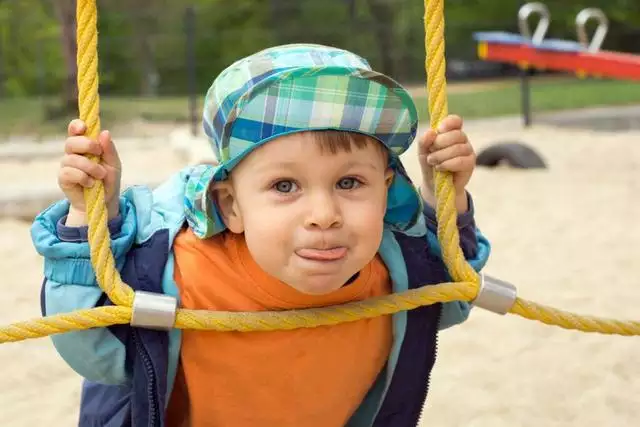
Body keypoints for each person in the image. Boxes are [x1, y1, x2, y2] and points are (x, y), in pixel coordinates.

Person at [31, 43, 490, 427]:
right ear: (231, 205)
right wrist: (88, 212)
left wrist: (442, 199)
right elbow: (90, 349)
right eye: (284, 186)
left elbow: (452, 299)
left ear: (386, 191)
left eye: (349, 183)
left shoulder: (396, 271)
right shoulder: (181, 271)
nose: (324, 215)